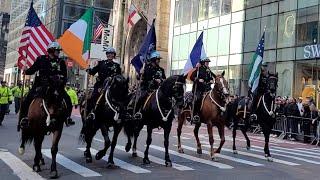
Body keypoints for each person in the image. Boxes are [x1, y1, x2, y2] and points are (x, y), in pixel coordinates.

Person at [18, 41, 73, 131]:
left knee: (68, 100)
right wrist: (26, 71)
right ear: (51, 50)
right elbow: (33, 69)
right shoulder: (41, 59)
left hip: (56, 87)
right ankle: (25, 118)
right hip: (40, 85)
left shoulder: (61, 61)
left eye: (59, 51)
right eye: (57, 51)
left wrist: (60, 79)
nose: (59, 52)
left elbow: (65, 75)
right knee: (27, 99)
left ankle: (67, 118)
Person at [86, 47, 121, 118]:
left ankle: (119, 114)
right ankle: (91, 112)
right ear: (106, 55)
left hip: (111, 87)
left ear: (114, 55)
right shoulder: (101, 63)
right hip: (100, 86)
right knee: (93, 97)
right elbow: (93, 72)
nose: (110, 55)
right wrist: (89, 70)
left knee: (120, 98)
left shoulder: (117, 66)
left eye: (111, 54)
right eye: (108, 54)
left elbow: (119, 77)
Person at [134, 50, 166, 119]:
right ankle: (137, 112)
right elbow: (139, 78)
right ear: (153, 59)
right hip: (147, 89)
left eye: (159, 59)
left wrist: (161, 80)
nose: (159, 61)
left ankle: (166, 113)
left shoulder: (161, 70)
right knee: (141, 97)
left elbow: (164, 80)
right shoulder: (146, 68)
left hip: (158, 90)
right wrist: (140, 74)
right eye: (157, 59)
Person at [190, 57, 214, 123]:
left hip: (207, 88)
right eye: (206, 62)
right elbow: (191, 77)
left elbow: (211, 77)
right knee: (198, 99)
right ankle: (196, 114)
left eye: (208, 62)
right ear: (203, 63)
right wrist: (198, 79)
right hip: (199, 88)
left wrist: (211, 80)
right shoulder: (198, 69)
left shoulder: (208, 70)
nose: (208, 63)